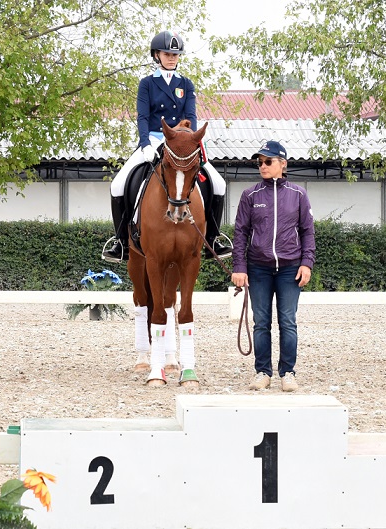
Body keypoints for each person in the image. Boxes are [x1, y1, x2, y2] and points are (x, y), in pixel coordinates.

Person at [102, 30, 232, 263]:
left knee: (219, 183)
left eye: (175, 54)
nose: (171, 58)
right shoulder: (147, 84)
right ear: (157, 55)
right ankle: (120, 242)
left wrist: (190, 141)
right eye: (167, 54)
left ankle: (213, 238)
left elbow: (190, 117)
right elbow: (143, 117)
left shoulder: (186, 84)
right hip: (154, 139)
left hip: (181, 143)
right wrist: (145, 144)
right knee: (118, 184)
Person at [231, 141, 316, 392]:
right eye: (260, 162)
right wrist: (239, 266)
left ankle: (287, 372)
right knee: (261, 322)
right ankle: (262, 372)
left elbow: (308, 231)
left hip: (290, 268)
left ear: (283, 164)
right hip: (258, 268)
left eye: (268, 161)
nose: (263, 166)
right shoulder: (250, 195)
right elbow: (240, 233)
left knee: (288, 322)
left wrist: (307, 263)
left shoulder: (298, 195)